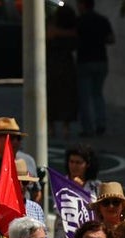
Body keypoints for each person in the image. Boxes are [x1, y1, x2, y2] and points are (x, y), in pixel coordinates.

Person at [75, 0, 113, 138]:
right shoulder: (102, 20)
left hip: (85, 61)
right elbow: (111, 39)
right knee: (97, 94)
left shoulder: (79, 21)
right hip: (101, 61)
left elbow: (73, 38)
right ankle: (100, 124)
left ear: (83, 5)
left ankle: (88, 128)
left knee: (84, 97)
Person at [45, 3, 77, 139]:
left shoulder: (58, 15)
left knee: (59, 96)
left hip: (58, 62)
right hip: (60, 62)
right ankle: (60, 127)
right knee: (60, 96)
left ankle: (58, 128)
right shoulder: (51, 12)